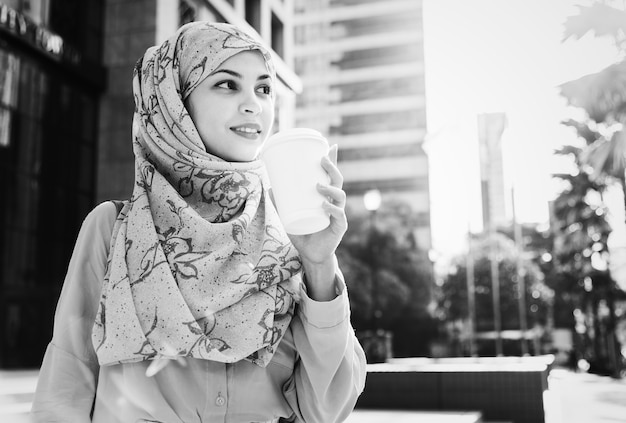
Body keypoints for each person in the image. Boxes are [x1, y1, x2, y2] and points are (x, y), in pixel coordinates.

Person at [31, 21, 366, 423]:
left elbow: (325, 410)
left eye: (263, 88)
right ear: (176, 102)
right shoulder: (115, 229)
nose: (253, 104)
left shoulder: (291, 234)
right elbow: (65, 388)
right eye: (227, 84)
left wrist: (319, 262)